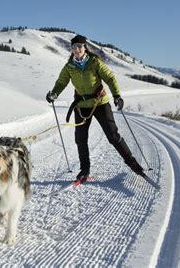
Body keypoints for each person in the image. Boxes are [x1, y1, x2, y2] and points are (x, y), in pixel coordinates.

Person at [46, 35, 145, 182]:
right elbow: (61, 82)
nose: (77, 49)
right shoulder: (69, 67)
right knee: (81, 139)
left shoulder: (94, 62)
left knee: (113, 135)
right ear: (72, 50)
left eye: (80, 46)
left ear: (85, 47)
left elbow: (110, 78)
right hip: (81, 106)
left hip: (100, 104)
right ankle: (84, 170)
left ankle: (133, 164)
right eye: (74, 47)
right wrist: (54, 93)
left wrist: (117, 96)